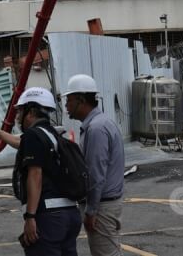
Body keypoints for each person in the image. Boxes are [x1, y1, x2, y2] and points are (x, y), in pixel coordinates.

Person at [12, 86, 82, 255]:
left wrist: (30, 217)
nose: (18, 117)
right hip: (70, 214)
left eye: (21, 111)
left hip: (49, 217)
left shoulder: (32, 135)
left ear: (31, 112)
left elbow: (35, 175)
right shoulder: (54, 136)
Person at [63, 74, 124, 256]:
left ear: (81, 100)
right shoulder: (100, 123)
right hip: (105, 204)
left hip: (102, 207)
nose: (66, 105)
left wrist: (91, 211)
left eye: (69, 100)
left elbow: (96, 174)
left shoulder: (96, 128)